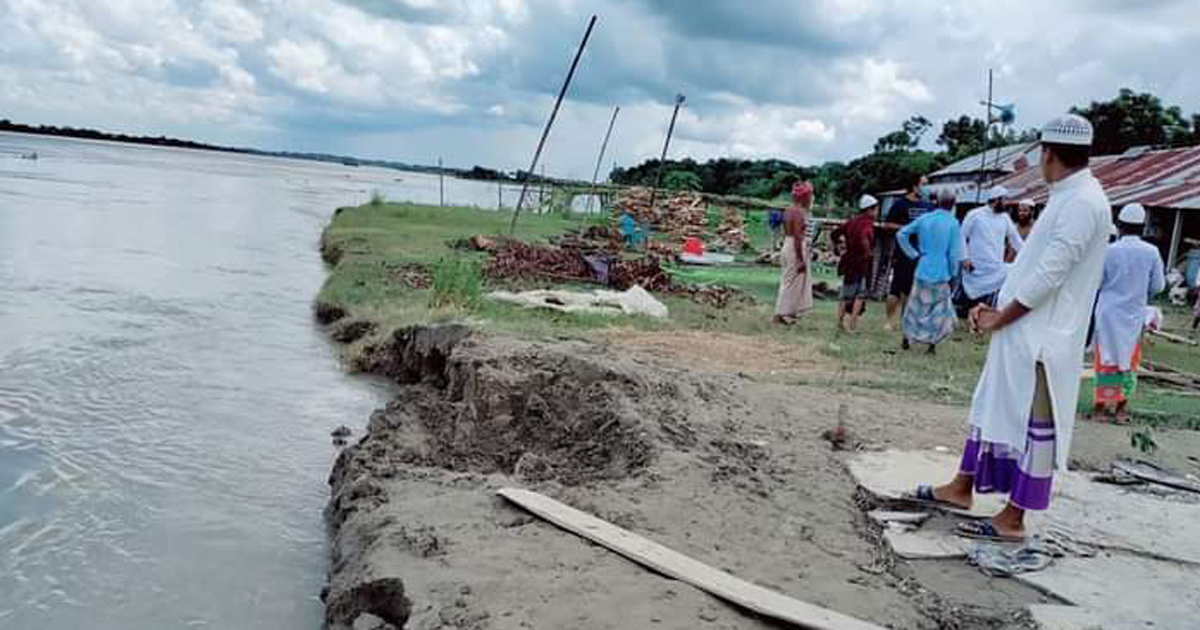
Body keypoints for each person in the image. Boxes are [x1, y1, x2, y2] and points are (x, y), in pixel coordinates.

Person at [908, 114, 1111, 542]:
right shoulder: (1064, 195)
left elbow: (1050, 275)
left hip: (1043, 338)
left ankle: (1014, 517)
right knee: (991, 409)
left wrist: (1003, 313)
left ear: (1047, 153)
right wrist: (996, 305)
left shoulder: (1083, 201)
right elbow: (1030, 265)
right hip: (1020, 327)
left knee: (1033, 423)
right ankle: (962, 487)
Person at [1091, 203, 1166, 424]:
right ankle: (1121, 410)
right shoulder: (1152, 252)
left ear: (1121, 226)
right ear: (1142, 227)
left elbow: (1097, 282)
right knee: (1129, 361)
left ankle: (1100, 409)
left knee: (1106, 361)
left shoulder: (1108, 251)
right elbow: (1158, 286)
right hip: (1134, 315)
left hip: (1108, 313)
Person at [896, 192, 964, 354]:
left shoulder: (925, 218)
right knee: (938, 309)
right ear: (953, 205)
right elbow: (954, 253)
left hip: (922, 266)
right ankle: (931, 344)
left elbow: (901, 234)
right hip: (942, 271)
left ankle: (907, 336)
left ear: (937, 203)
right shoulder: (953, 223)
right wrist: (954, 272)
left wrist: (913, 253)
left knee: (915, 306)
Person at [958, 186, 1024, 315]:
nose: (1007, 203)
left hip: (995, 265)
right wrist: (964, 258)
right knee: (971, 293)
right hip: (975, 265)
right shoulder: (974, 214)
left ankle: (990, 312)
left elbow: (1015, 240)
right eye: (1004, 200)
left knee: (1009, 273)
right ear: (996, 200)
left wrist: (1029, 253)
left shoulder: (1005, 218)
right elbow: (961, 237)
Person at [883, 177, 926, 332]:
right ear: (914, 187)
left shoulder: (927, 205)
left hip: (921, 254)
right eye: (924, 184)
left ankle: (905, 321)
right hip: (902, 253)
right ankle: (889, 321)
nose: (926, 188)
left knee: (912, 290)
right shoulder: (900, 204)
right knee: (896, 289)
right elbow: (887, 225)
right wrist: (907, 228)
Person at [831, 195, 878, 333]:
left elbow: (834, 233)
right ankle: (850, 325)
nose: (877, 213)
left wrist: (838, 246)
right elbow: (864, 237)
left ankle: (843, 324)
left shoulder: (851, 221)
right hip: (861, 261)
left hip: (850, 261)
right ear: (869, 210)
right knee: (857, 294)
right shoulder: (867, 223)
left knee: (851, 294)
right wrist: (868, 252)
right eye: (876, 210)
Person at [773, 181, 815, 325]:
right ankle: (781, 313)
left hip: (787, 244)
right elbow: (797, 236)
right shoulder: (797, 212)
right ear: (804, 197)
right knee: (791, 281)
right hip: (794, 247)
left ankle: (788, 312)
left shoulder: (788, 210)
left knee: (789, 280)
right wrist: (801, 259)